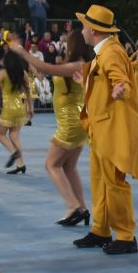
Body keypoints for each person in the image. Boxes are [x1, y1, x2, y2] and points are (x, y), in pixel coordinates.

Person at [18, 5, 138, 253]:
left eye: (84, 25)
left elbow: (120, 79)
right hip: (100, 127)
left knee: (114, 184)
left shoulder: (111, 53)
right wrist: (86, 81)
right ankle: (100, 230)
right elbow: (104, 84)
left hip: (112, 129)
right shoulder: (103, 52)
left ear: (93, 30)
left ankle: (126, 236)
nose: (82, 29)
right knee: (100, 182)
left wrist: (121, 88)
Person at [14, 28, 93, 226]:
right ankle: (82, 208)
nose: (64, 44)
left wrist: (23, 52)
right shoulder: (81, 63)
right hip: (77, 120)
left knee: (51, 164)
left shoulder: (76, 65)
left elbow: (47, 68)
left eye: (67, 41)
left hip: (70, 122)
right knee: (69, 166)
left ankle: (72, 206)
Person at [0, 32, 34, 174]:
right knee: (14, 135)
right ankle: (21, 164)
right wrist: (30, 108)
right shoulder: (23, 73)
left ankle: (13, 153)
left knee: (0, 135)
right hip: (20, 108)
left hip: (8, 108)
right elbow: (28, 91)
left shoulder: (3, 73)